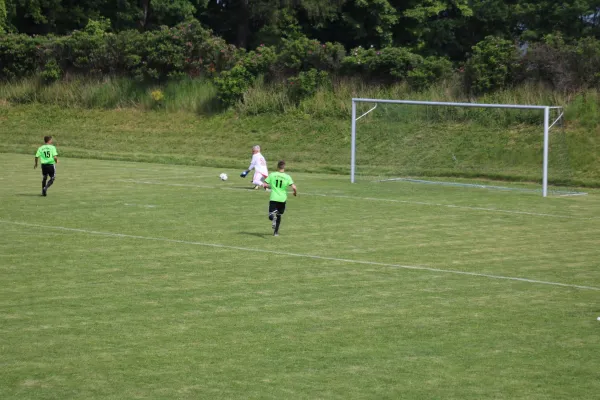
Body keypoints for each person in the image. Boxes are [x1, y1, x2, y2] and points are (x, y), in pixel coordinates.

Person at [263, 160, 297, 237]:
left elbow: (264, 184)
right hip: (282, 198)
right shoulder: (287, 177)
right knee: (279, 215)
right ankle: (276, 232)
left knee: (271, 215)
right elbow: (294, 187)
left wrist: (267, 187)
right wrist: (295, 193)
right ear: (284, 167)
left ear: (277, 167)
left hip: (274, 197)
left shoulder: (272, 175)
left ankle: (273, 217)